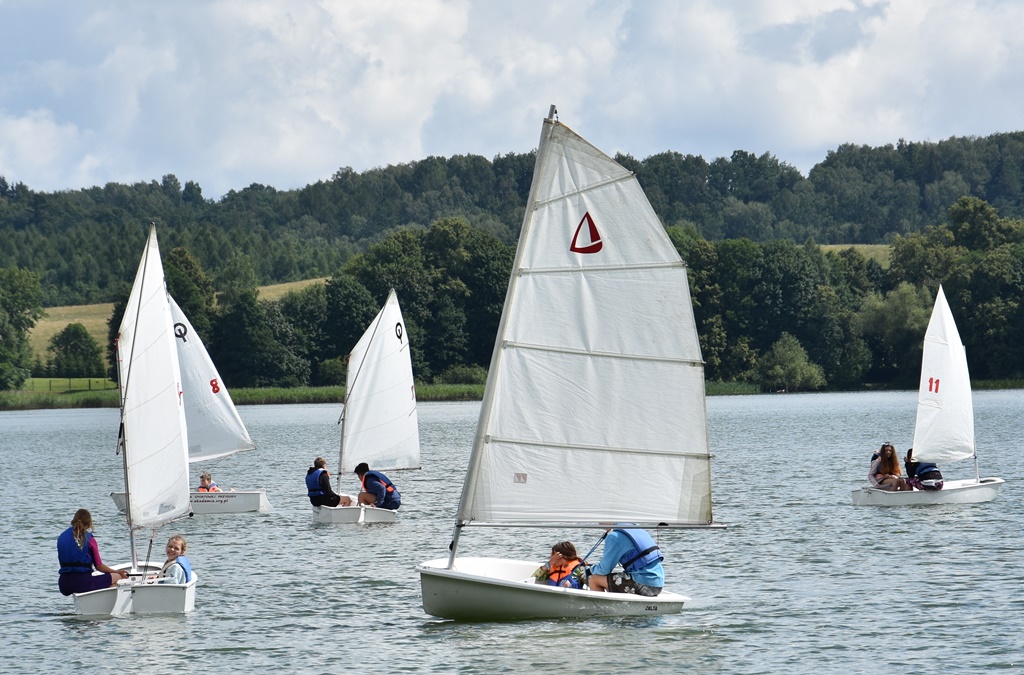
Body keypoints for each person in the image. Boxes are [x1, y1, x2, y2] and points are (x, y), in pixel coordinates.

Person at [57, 508, 129, 596]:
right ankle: (100, 603)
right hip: (82, 583)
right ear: (89, 524)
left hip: (64, 585)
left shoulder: (61, 537)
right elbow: (99, 567)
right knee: (117, 577)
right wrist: (117, 572)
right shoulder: (90, 540)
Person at [587, 526, 664, 597]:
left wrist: (590, 570)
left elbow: (604, 570)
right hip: (658, 584)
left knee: (594, 580)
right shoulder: (636, 529)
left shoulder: (615, 536)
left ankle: (603, 607)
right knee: (610, 580)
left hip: (643, 584)